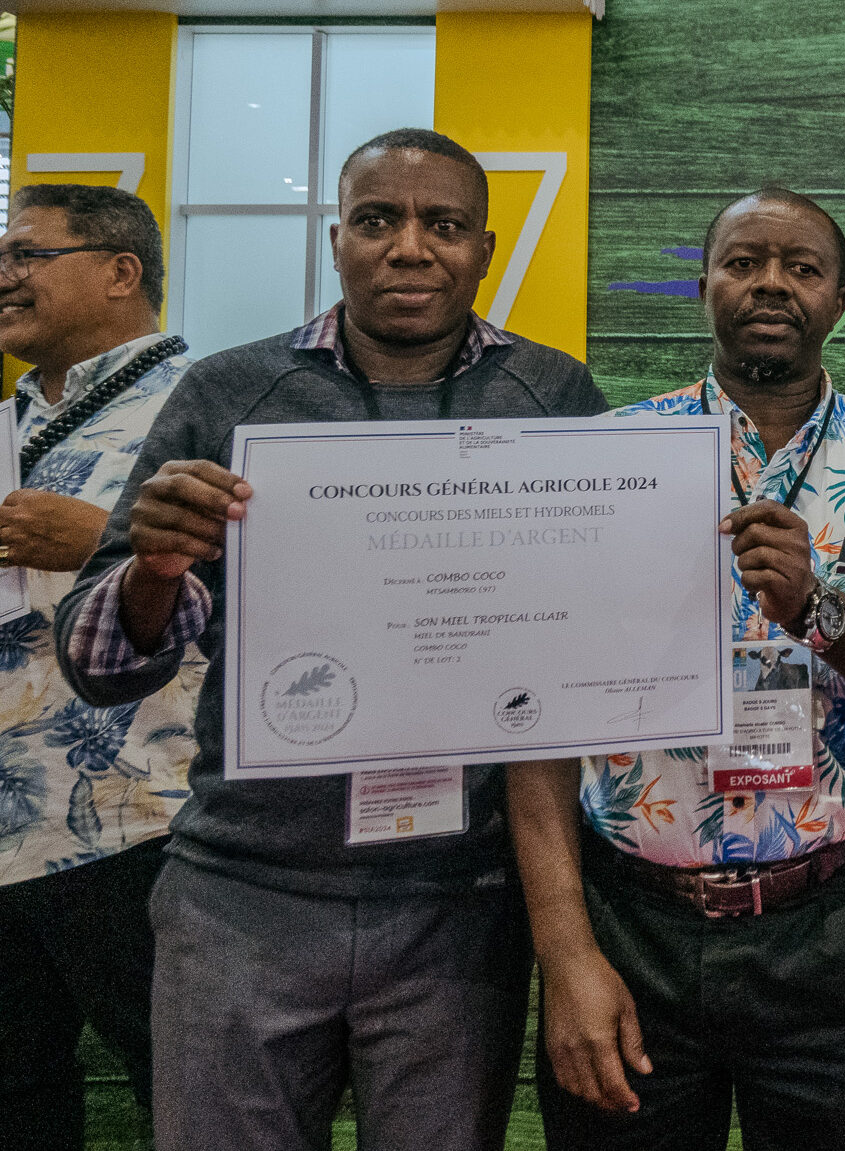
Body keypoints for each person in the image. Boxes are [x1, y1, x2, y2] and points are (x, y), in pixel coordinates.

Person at [53, 129, 606, 1151]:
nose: (408, 247)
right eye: (377, 220)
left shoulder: (554, 397)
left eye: (440, 225)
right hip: (245, 891)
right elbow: (99, 665)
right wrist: (153, 569)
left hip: (457, 899)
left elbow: (582, 652)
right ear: (337, 237)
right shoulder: (230, 393)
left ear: (483, 249)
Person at [506, 187, 845, 1151]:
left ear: (839, 297)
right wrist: (565, 951)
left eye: (802, 267)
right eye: (744, 260)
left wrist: (818, 608)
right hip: (632, 922)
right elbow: (532, 718)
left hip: (834, 924)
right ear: (703, 282)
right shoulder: (603, 459)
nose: (771, 282)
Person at [0, 184, 202, 1151]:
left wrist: (93, 537)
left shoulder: (206, 404)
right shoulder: (9, 423)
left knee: (191, 1092)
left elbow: (296, 585)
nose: (5, 275)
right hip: (7, 825)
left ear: (122, 271)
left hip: (140, 819)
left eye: (27, 254)